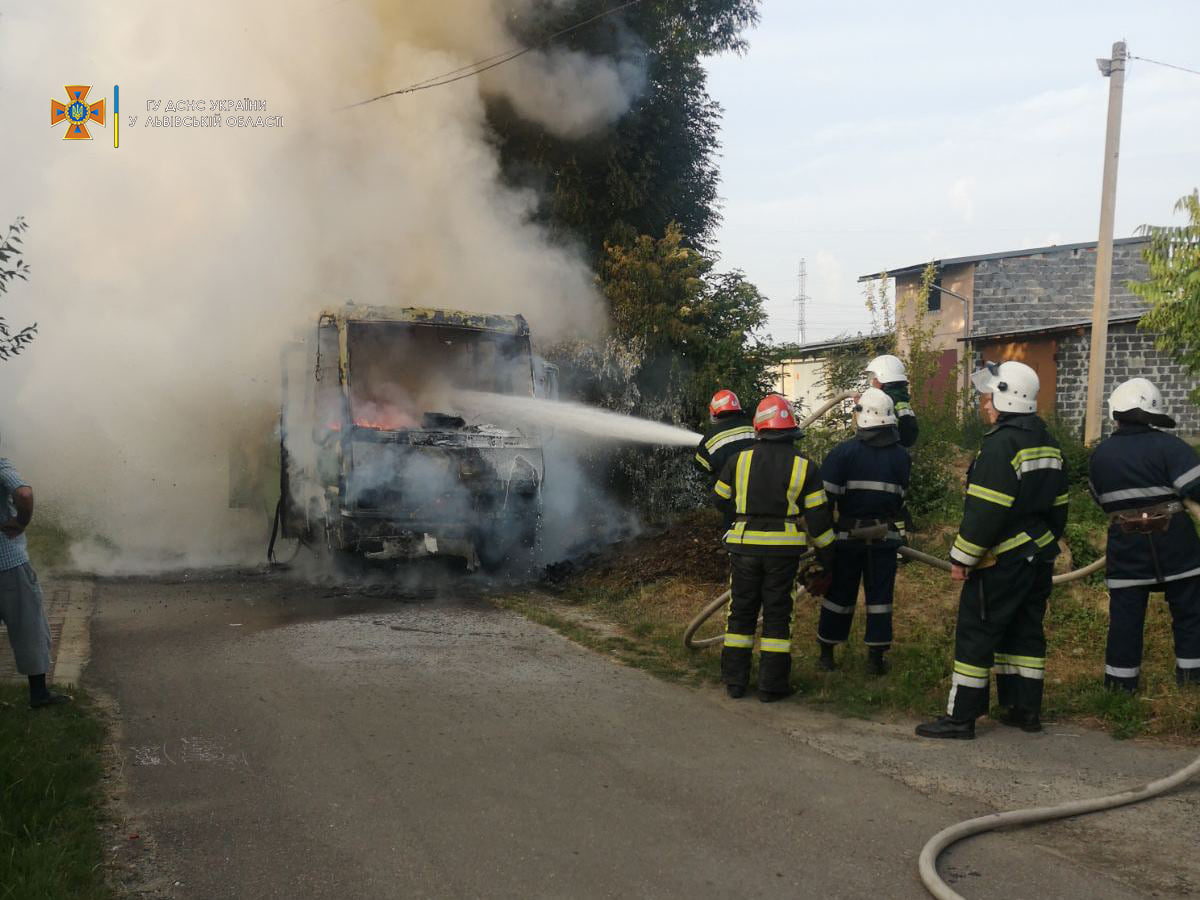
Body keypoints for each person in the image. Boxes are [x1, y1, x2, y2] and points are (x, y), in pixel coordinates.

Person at [916, 361, 1068, 739]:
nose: (985, 404)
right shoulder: (1046, 441)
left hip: (1003, 560)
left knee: (976, 632)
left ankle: (961, 718)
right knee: (1025, 632)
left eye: (989, 397)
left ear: (1008, 398)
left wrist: (961, 558)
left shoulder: (1001, 446)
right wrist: (1043, 543)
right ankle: (1024, 710)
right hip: (1038, 556)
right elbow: (1060, 504)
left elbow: (985, 512)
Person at [713, 394, 835, 702]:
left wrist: (741, 511)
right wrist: (827, 555)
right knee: (778, 615)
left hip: (744, 549)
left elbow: (719, 498)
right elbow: (819, 518)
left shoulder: (737, 460)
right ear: (790, 428)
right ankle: (771, 686)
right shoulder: (805, 465)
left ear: (759, 427)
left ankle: (735, 682)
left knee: (740, 612)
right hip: (783, 553)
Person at [1088, 377, 1200, 692]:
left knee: (1125, 621)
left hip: (1127, 550)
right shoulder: (1171, 447)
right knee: (1190, 614)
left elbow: (1100, 500)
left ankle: (1120, 687)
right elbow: (1196, 488)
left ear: (1117, 412)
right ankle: (1192, 683)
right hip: (1177, 548)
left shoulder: (1101, 455)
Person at [817, 388, 911, 675]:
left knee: (838, 596)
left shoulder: (843, 453)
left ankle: (827, 655)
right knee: (880, 599)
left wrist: (822, 543)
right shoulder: (901, 457)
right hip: (884, 540)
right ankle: (875, 659)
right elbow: (899, 500)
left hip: (847, 540)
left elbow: (823, 501)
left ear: (863, 417)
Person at [0, 448, 68, 708]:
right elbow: (24, 494)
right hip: (8, 563)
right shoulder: (1, 464)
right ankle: (39, 695)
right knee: (28, 626)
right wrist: (21, 522)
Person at [694, 389, 756, 528]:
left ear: (715, 411)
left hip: (731, 498)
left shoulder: (711, 438)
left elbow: (700, 465)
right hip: (760, 492)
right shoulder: (752, 427)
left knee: (732, 532)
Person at [865, 355, 918, 448]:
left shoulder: (884, 400)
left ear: (881, 379)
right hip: (898, 451)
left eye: (874, 377)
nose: (872, 381)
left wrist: (862, 405)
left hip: (883, 451)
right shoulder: (901, 398)